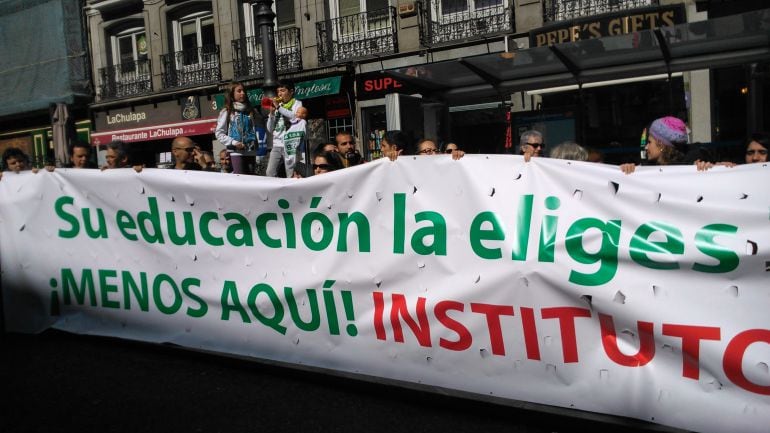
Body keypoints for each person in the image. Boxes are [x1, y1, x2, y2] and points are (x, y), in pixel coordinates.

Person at [215, 81, 264, 175]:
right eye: (239, 91)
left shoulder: (251, 110)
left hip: (251, 150)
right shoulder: (227, 111)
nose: (243, 93)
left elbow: (261, 125)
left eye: (244, 91)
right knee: (240, 178)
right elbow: (219, 133)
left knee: (251, 179)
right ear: (232, 94)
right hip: (236, 151)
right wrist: (233, 142)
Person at [620, 116, 689, 174]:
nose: (646, 147)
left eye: (649, 142)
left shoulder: (688, 169)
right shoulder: (647, 168)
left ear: (661, 144)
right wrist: (628, 169)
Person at [266, 81, 303, 177]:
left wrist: (278, 107)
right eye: (278, 91)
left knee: (291, 173)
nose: (279, 94)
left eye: (282, 90)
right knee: (269, 172)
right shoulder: (278, 106)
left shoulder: (297, 104)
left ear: (291, 91)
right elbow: (270, 129)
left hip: (290, 145)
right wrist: (271, 114)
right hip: (277, 144)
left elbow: (294, 117)